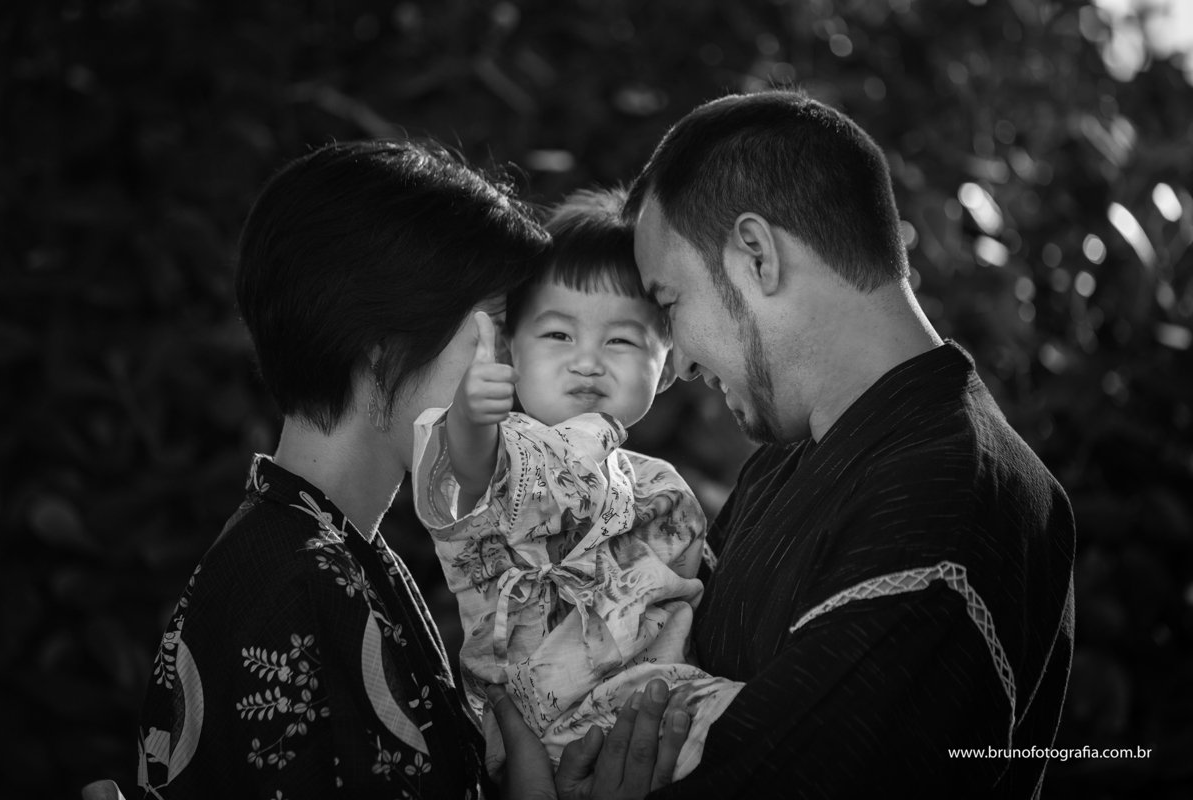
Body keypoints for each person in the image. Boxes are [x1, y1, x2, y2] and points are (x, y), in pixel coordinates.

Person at [492, 90, 1076, 798]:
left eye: (669, 302)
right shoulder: (790, 459)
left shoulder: (944, 499)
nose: (678, 363)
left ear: (756, 255)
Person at [134, 140, 688, 800]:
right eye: (495, 329)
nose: (513, 370)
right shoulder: (293, 584)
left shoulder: (332, 553)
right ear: (382, 344)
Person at [410, 189, 743, 782]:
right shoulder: (512, 448)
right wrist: (468, 416)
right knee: (766, 729)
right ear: (510, 348)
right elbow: (470, 476)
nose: (587, 361)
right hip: (549, 723)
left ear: (667, 365)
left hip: (654, 703)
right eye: (559, 335)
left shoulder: (659, 486)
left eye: (620, 340)